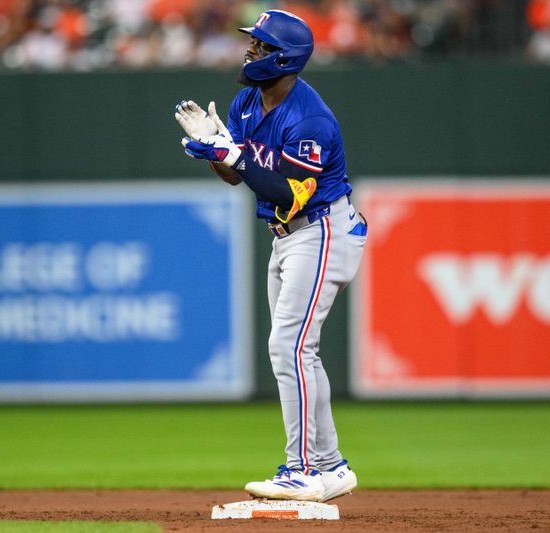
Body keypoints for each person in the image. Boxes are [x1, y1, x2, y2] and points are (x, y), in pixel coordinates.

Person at [174, 9, 367, 502]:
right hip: (287, 237)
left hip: (321, 229)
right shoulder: (245, 102)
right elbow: (236, 175)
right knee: (302, 351)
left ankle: (301, 469)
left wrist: (231, 153)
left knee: (289, 348)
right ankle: (330, 466)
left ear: (284, 59)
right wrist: (218, 149)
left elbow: (288, 193)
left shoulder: (311, 119)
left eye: (260, 46)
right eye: (252, 44)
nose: (250, 51)